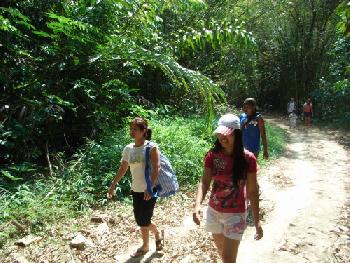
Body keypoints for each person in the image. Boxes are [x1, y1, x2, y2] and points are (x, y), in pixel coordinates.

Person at [193, 114, 263, 263]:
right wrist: (197, 205)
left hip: (236, 215)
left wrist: (257, 221)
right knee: (221, 250)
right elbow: (204, 182)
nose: (222, 138)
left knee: (227, 259)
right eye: (220, 134)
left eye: (227, 134)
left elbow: (252, 191)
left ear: (237, 134)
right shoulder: (212, 156)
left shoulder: (248, 159)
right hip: (214, 212)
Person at [107, 117, 164, 257]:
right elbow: (123, 168)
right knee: (141, 219)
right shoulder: (128, 149)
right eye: (131, 129)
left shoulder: (151, 147)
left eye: (135, 129)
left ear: (144, 131)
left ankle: (145, 246)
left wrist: (149, 188)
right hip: (136, 189)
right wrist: (113, 184)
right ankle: (157, 234)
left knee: (144, 219)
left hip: (150, 190)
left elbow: (157, 168)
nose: (132, 132)